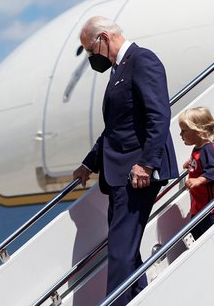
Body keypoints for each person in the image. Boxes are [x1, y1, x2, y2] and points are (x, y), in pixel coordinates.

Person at [72, 16, 179, 306]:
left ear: (104, 38)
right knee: (127, 251)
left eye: (91, 51)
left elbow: (159, 115)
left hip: (136, 172)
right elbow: (116, 128)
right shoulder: (118, 70)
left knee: (120, 250)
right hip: (120, 175)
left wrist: (147, 163)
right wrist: (89, 163)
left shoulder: (142, 60)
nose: (93, 59)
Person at [178, 107, 214, 240]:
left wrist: (198, 180)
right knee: (197, 239)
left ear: (198, 130)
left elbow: (213, 169)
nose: (180, 135)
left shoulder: (209, 149)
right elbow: (200, 162)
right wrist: (190, 163)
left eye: (184, 131)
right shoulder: (198, 149)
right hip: (199, 208)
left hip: (212, 209)